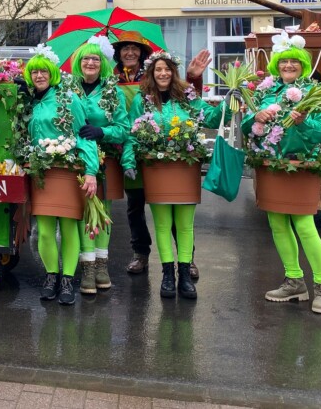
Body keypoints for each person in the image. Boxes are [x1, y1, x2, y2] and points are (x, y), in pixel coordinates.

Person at [240, 34, 321, 314]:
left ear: (303, 65)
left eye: (295, 61)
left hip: (302, 165)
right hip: (271, 164)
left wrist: (304, 124)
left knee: (304, 226)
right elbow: (246, 124)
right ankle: (294, 281)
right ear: (277, 65)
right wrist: (254, 118)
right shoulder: (264, 91)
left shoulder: (315, 93)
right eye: (284, 61)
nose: (289, 65)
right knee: (278, 225)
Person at [122, 51, 223, 300]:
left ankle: (185, 276)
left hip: (185, 168)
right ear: (151, 73)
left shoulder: (187, 96)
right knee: (163, 225)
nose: (163, 73)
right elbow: (132, 132)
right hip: (156, 169)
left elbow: (209, 118)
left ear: (174, 72)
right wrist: (128, 160)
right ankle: (167, 274)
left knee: (186, 225)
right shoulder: (141, 100)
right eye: (158, 69)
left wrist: (228, 103)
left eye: (167, 69)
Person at [21, 47, 98, 306]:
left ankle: (67, 280)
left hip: (67, 171)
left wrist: (90, 172)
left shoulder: (68, 99)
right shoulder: (29, 101)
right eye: (34, 71)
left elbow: (84, 137)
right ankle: (50, 276)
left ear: (52, 73)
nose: (39, 75)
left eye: (43, 70)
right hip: (41, 172)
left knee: (67, 227)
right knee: (44, 231)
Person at [69, 37, 130, 295]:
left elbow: (124, 129)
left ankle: (102, 266)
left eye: (95, 59)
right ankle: (88, 268)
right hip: (77, 160)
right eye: (86, 58)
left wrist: (101, 132)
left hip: (106, 159)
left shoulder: (112, 91)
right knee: (83, 213)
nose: (90, 62)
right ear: (79, 63)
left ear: (102, 63)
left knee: (103, 213)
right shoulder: (67, 88)